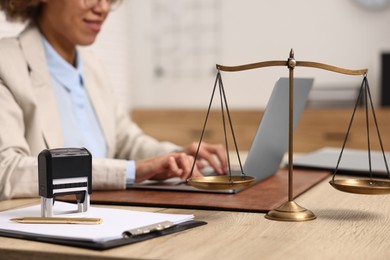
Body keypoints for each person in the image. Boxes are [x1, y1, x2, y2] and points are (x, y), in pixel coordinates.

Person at [0, 0, 227, 200]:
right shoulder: (7, 64)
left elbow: (125, 141)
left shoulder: (92, 66)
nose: (103, 8)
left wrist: (177, 156)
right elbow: (7, 170)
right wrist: (131, 171)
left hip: (108, 216)